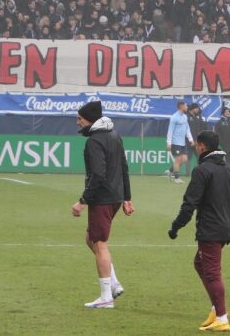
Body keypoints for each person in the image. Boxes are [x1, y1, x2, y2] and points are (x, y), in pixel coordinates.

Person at [168, 131, 230, 333]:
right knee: (200, 263)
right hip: (224, 226)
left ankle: (222, 317)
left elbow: (189, 203)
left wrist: (176, 226)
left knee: (211, 272)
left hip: (210, 228)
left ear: (201, 146)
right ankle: (215, 309)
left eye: (196, 145)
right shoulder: (228, 169)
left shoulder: (202, 170)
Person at [71, 100, 134, 309]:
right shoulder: (115, 136)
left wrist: (82, 201)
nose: (77, 122)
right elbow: (124, 168)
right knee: (91, 238)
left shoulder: (94, 142)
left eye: (80, 118)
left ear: (89, 119)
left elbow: (97, 175)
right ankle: (114, 284)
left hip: (102, 198)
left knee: (99, 243)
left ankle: (106, 297)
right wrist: (127, 197)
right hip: (115, 197)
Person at [166, 100, 193, 183]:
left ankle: (170, 171)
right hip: (175, 142)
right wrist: (169, 143)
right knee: (178, 160)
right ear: (181, 107)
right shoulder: (174, 117)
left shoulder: (185, 116)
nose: (187, 107)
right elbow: (170, 131)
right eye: (186, 105)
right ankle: (177, 178)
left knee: (184, 159)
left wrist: (190, 139)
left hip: (183, 142)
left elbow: (187, 128)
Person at [186, 103, 208, 175]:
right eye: (197, 108)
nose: (198, 110)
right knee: (188, 157)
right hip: (189, 141)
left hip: (198, 141)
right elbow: (186, 130)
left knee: (200, 157)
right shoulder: (186, 116)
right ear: (193, 109)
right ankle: (187, 173)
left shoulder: (198, 117)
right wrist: (191, 140)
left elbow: (203, 127)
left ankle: (200, 172)